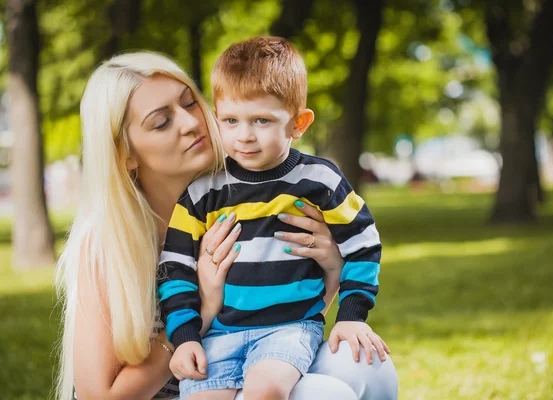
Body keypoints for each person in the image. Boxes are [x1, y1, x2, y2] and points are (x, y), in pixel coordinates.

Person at [54, 51, 398, 400]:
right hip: (196, 390)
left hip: (258, 366)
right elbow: (99, 395)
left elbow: (281, 321)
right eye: (161, 122)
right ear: (124, 153)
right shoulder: (107, 244)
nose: (190, 123)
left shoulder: (250, 193)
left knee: (367, 363)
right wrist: (202, 308)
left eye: (190, 104)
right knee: (321, 394)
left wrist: (332, 270)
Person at [160, 36, 387, 400]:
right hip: (218, 333)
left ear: (298, 123)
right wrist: (185, 336)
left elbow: (363, 244)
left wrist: (351, 314)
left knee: (265, 390)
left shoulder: (320, 182)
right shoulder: (203, 192)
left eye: (262, 120)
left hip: (288, 327)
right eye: (230, 120)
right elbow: (175, 268)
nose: (245, 136)